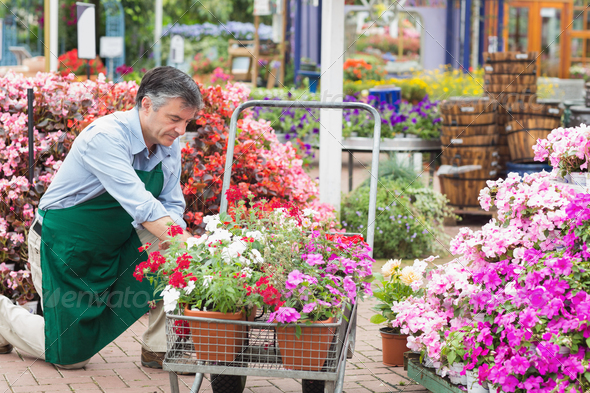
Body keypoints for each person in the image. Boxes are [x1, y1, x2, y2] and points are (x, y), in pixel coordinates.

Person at [0, 66, 202, 369]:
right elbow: (143, 207)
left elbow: (171, 207)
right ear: (146, 104)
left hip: (115, 243)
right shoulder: (105, 137)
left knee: (173, 246)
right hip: (64, 248)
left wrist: (183, 245)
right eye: (175, 119)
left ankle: (160, 346)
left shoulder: (168, 145)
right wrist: (196, 249)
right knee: (69, 356)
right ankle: (3, 316)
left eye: (187, 121)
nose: (181, 130)